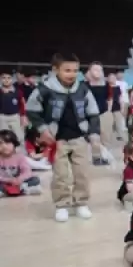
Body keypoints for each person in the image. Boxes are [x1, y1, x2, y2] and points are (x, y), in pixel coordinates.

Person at [26, 53, 101, 222]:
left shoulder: (83, 89)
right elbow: (32, 111)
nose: (71, 74)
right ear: (55, 70)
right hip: (56, 140)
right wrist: (43, 129)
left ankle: (81, 202)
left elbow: (94, 113)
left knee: (82, 173)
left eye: (75, 70)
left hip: (79, 138)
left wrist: (94, 133)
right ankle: (62, 205)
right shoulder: (44, 89)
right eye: (67, 70)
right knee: (60, 175)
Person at [0, 130, 41, 197]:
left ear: (14, 143)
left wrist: (19, 179)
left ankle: (22, 189)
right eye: (0, 143)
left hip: (19, 182)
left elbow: (27, 171)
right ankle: (9, 191)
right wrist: (9, 180)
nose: (4, 146)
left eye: (7, 143)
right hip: (5, 183)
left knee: (35, 179)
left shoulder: (20, 157)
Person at [0, 72, 27, 145]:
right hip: (2, 117)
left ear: (12, 79)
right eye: (4, 78)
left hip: (15, 116)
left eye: (8, 78)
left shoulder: (18, 92)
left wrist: (23, 116)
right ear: (1, 79)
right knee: (4, 138)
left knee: (20, 137)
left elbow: (22, 104)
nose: (6, 80)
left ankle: (19, 154)